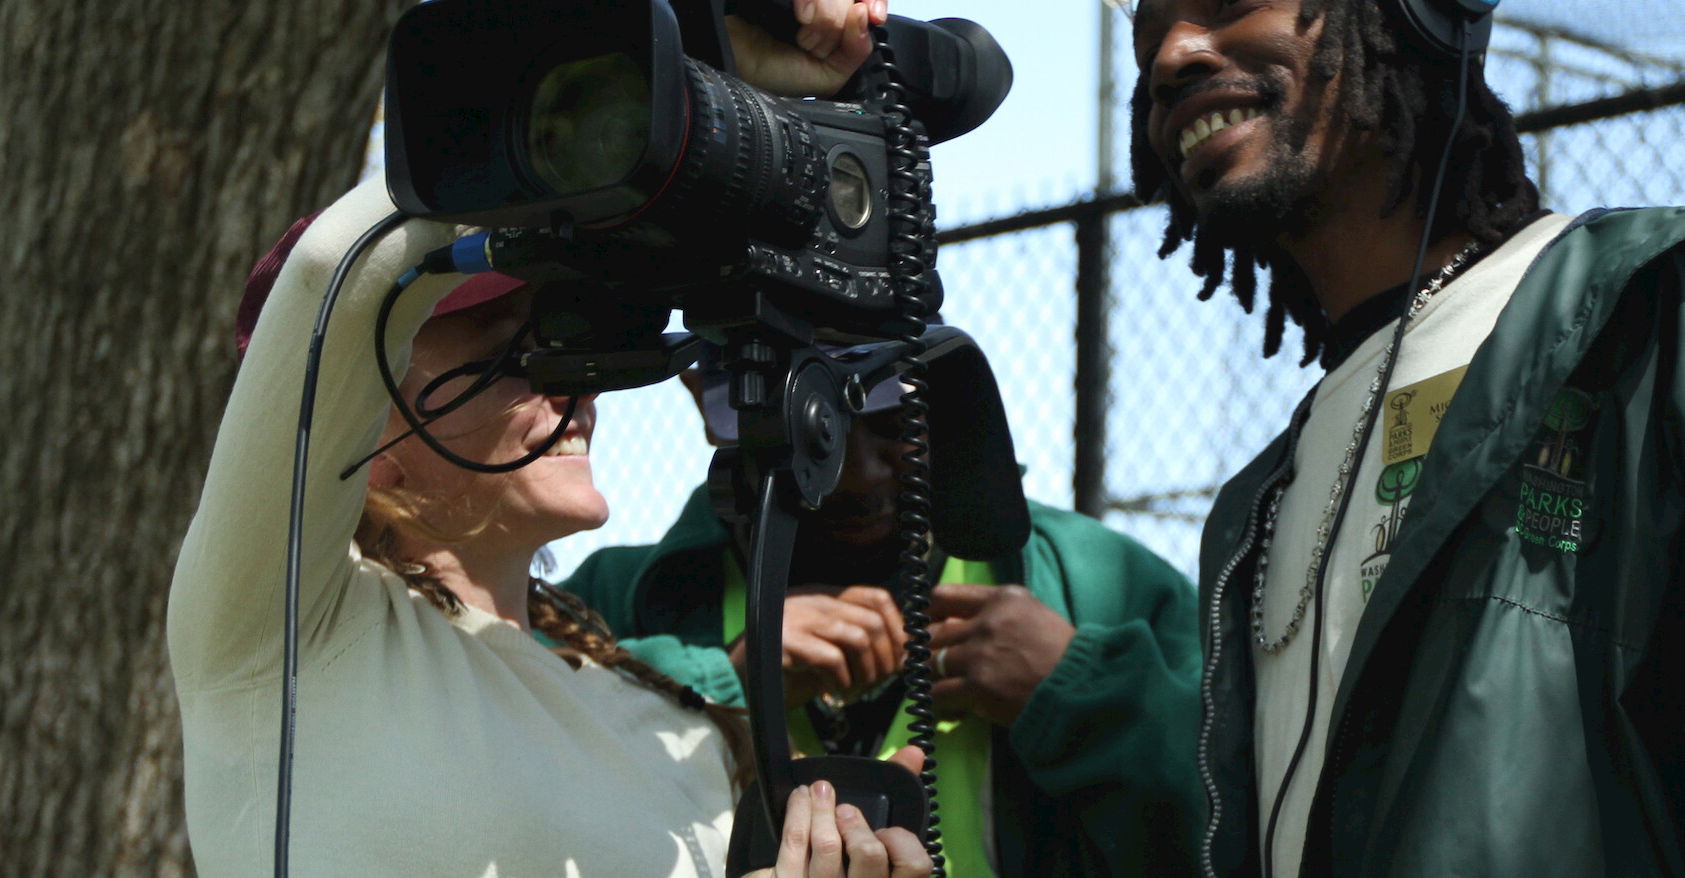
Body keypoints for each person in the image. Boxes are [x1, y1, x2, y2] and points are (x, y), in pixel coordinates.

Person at [168, 2, 938, 876]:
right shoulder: (286, 632)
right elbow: (332, 273)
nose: (573, 378)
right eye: (508, 353)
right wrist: (619, 99)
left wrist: (714, 80)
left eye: (570, 333)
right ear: (364, 428)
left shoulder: (677, 727)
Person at [1125, 0, 1685, 875]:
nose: (1171, 56)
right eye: (1146, 38)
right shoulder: (1251, 511)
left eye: (1227, 4)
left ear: (1423, 15)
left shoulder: (1645, 318)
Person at [563, 345, 1207, 877]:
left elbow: (1233, 818)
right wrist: (717, 684)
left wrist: (1082, 694)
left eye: (895, 425)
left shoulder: (1091, 580)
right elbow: (527, 770)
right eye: (818, 435)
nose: (861, 475)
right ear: (708, 400)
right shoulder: (618, 597)